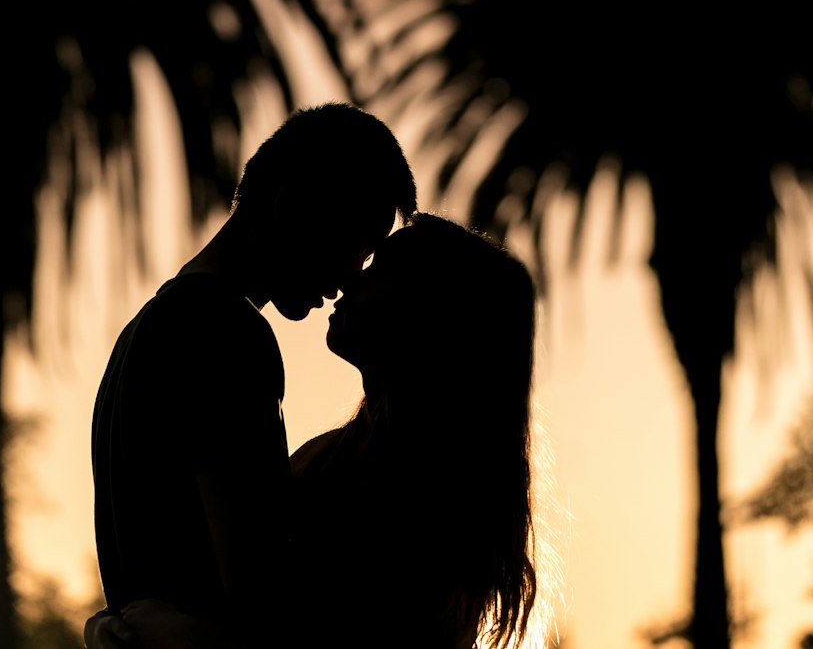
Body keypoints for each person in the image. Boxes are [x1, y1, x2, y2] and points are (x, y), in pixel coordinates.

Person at [87, 213, 539, 649]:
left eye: (380, 269)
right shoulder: (330, 456)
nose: (351, 279)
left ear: (432, 314)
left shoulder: (438, 495)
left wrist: (187, 639)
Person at [89, 102, 417, 648]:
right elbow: (259, 592)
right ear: (292, 207)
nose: (347, 279)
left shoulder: (147, 330)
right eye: (352, 245)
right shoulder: (222, 333)